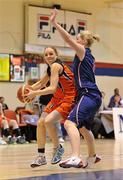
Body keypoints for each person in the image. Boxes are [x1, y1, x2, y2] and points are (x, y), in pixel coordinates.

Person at [50, 9, 102, 168]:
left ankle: (75, 156)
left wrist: (54, 23)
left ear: (84, 42)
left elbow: (67, 38)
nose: (75, 40)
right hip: (91, 96)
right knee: (84, 129)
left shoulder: (82, 51)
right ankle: (92, 157)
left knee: (69, 123)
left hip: (88, 94)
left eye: (78, 38)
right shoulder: (88, 55)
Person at [24, 46, 76, 167]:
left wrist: (34, 93)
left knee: (48, 121)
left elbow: (52, 88)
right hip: (58, 98)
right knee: (41, 122)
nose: (48, 56)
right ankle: (41, 156)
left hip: (68, 98)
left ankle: (57, 148)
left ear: (56, 54)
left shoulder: (56, 66)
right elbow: (41, 83)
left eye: (51, 53)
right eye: (46, 54)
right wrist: (28, 90)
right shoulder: (50, 67)